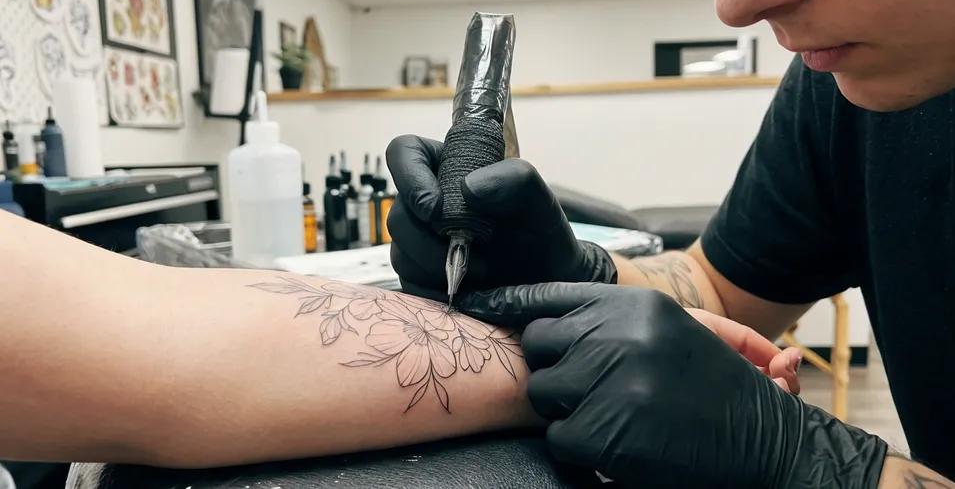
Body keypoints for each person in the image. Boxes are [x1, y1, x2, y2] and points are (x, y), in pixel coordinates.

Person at [385, 0, 955, 486]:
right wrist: (580, 270)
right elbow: (716, 287)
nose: (736, 3)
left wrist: (814, 462)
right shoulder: (841, 88)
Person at [0, 208, 799, 469]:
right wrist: (586, 281)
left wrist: (829, 468)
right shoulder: (825, 95)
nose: (736, 3)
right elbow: (160, 343)